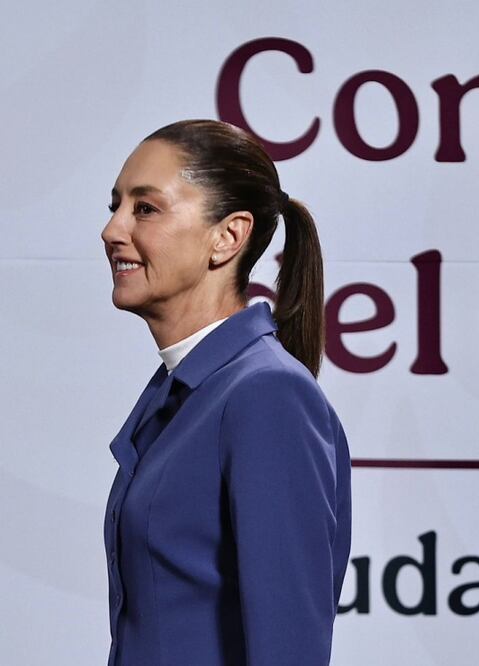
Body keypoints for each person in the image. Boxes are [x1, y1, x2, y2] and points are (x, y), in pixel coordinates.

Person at [100, 119, 352, 665]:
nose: (112, 229)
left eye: (146, 208)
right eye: (115, 206)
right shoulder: (181, 391)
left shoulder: (266, 394)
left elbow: (288, 647)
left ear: (228, 236)